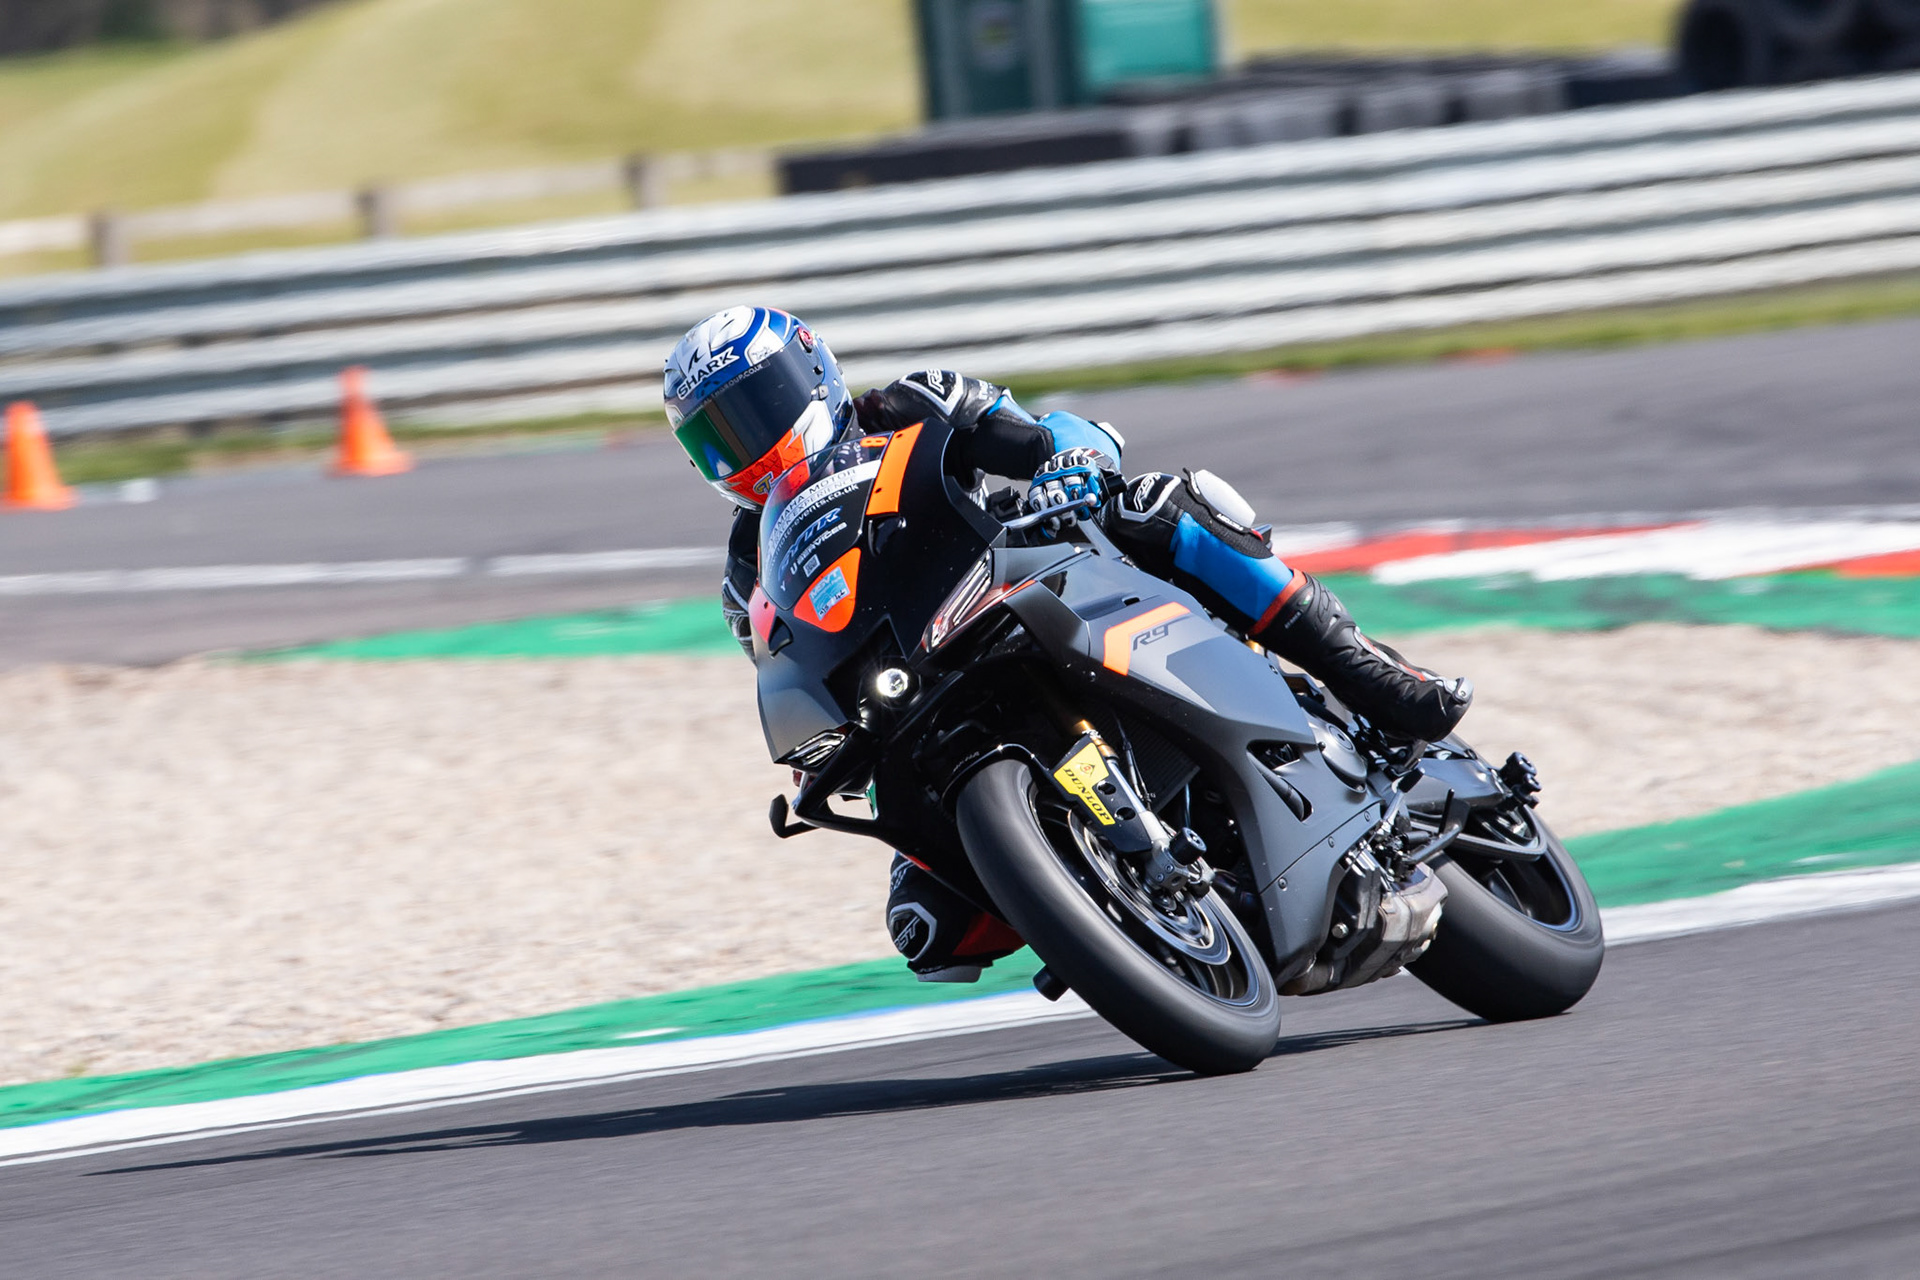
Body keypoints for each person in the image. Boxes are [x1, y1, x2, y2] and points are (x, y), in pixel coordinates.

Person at [665, 306, 1473, 982]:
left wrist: (1068, 462)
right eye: (715, 438)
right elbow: (791, 661)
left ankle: (1368, 672)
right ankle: (1101, 900)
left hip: (1027, 578)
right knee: (927, 924)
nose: (743, 445)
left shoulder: (913, 403)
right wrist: (817, 738)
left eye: (754, 410)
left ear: (811, 375)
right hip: (922, 689)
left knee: (1157, 504)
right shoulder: (747, 569)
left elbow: (1045, 433)